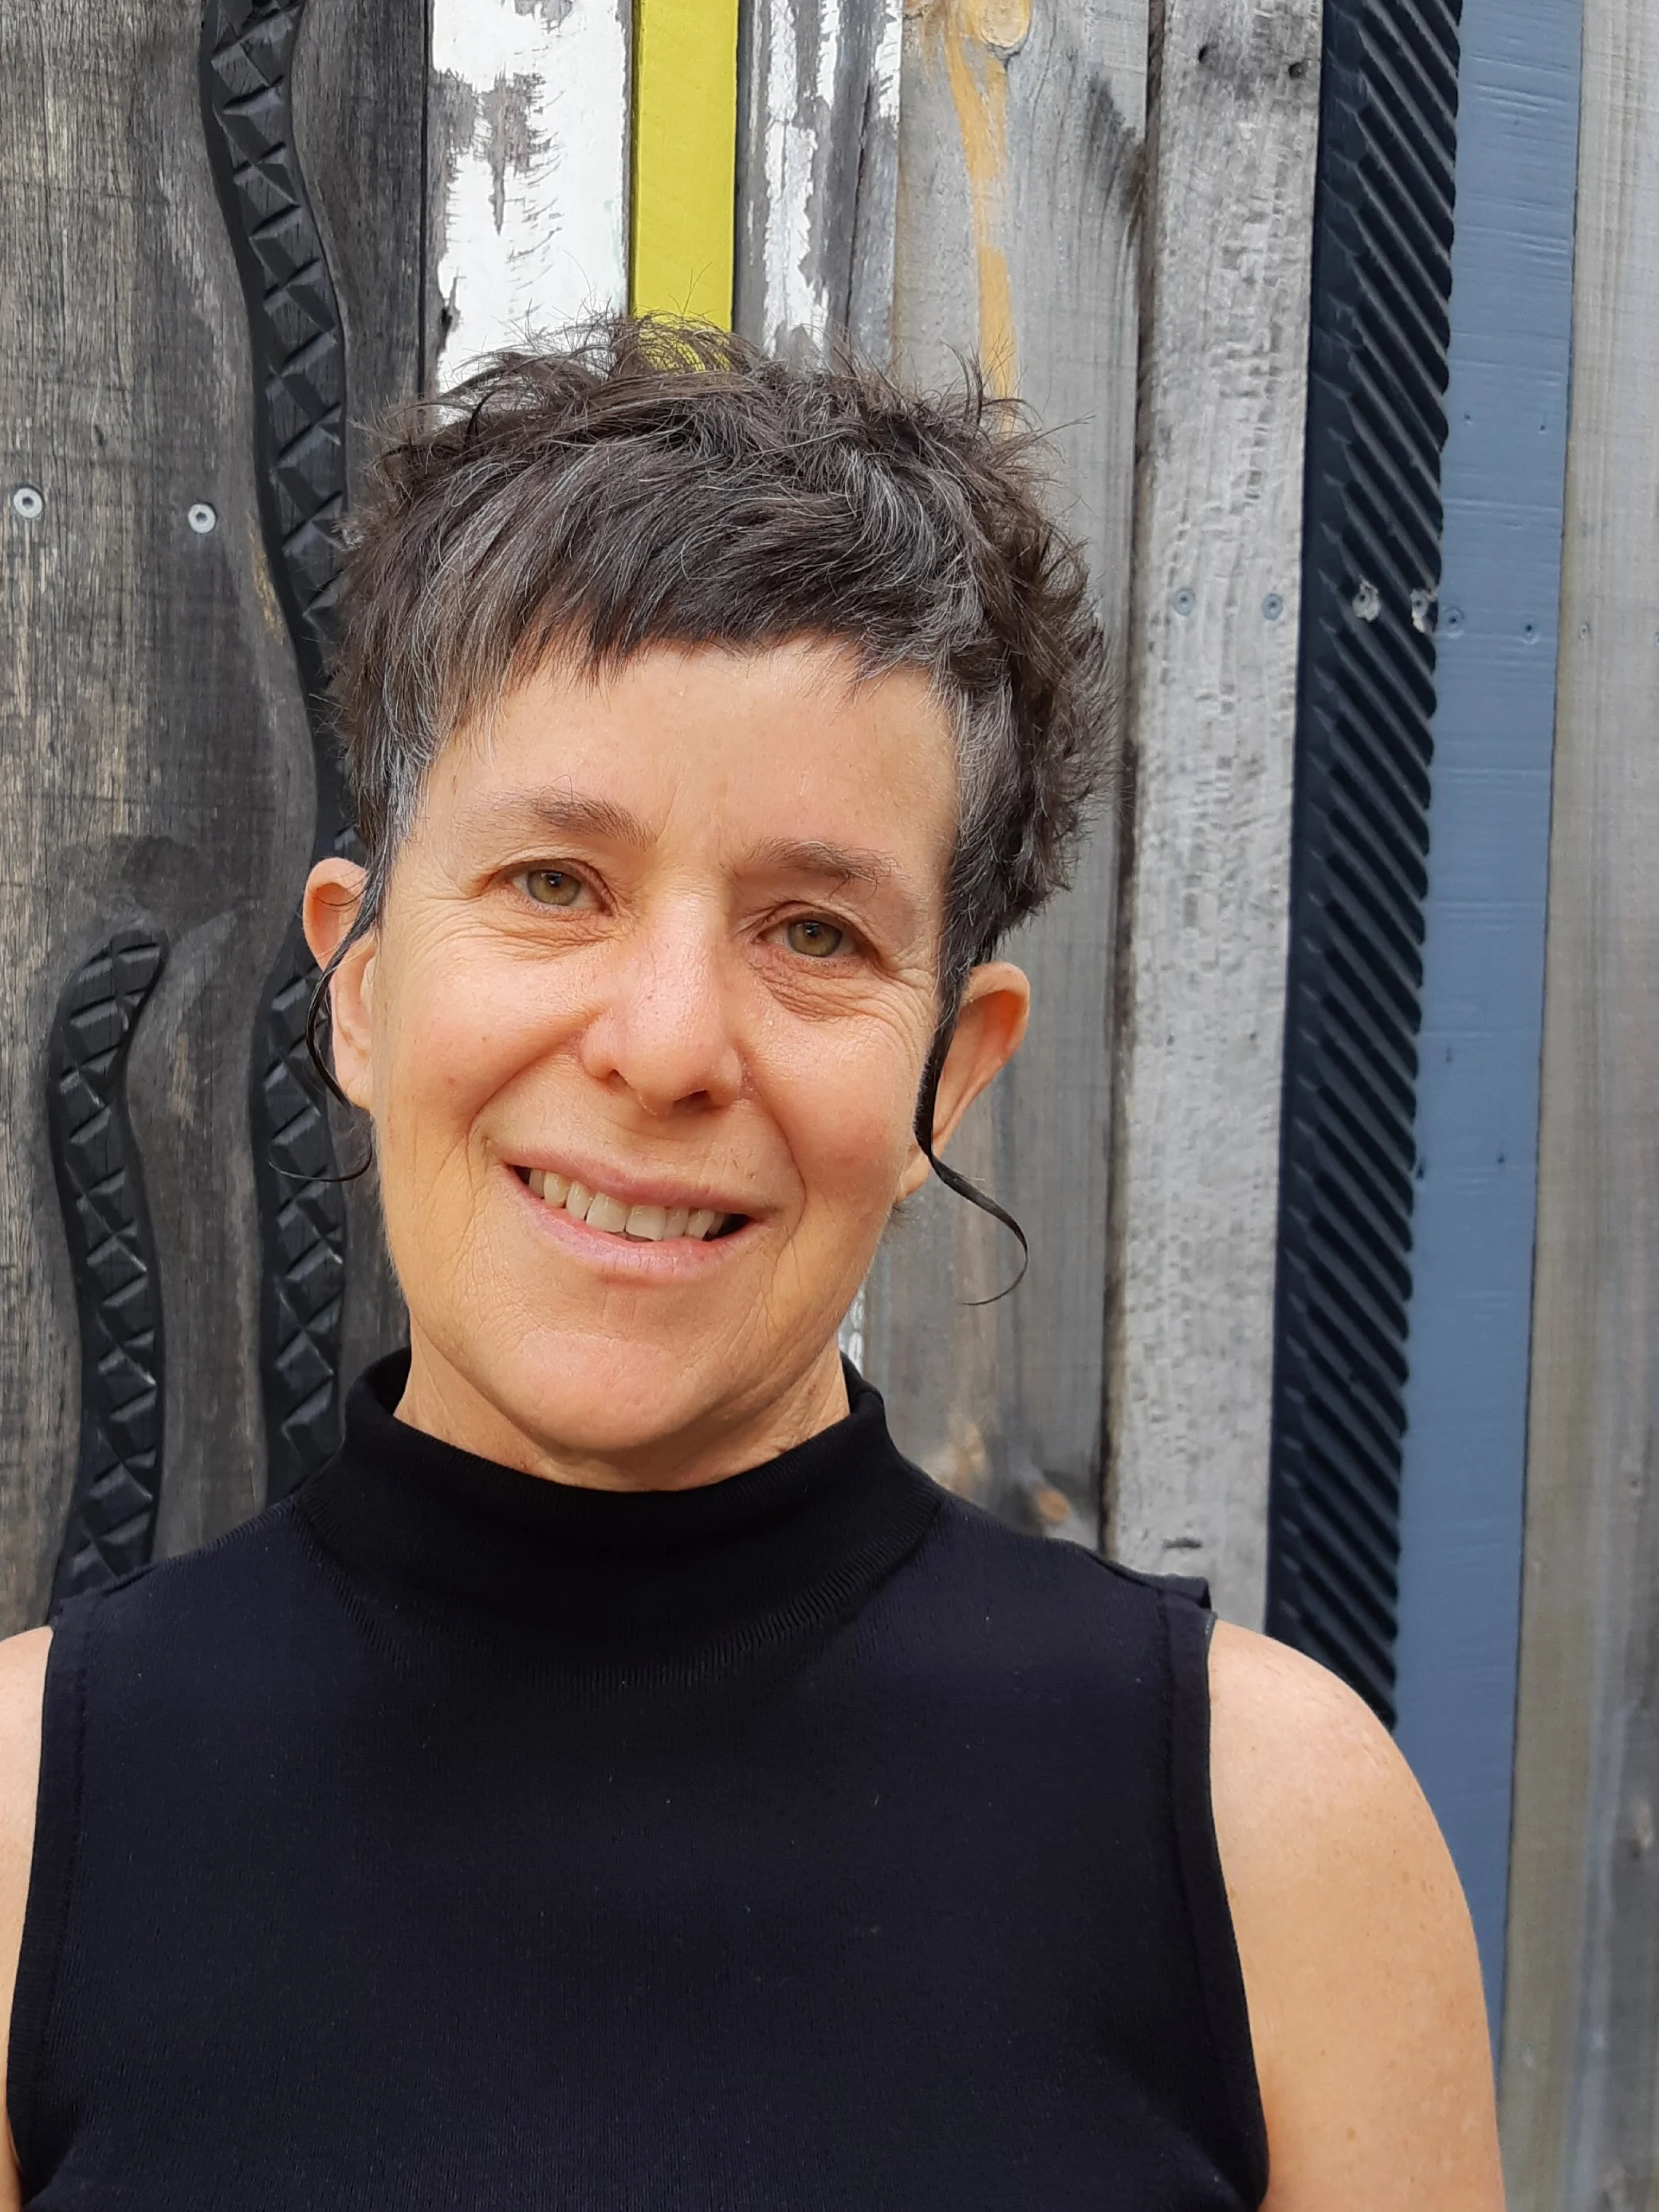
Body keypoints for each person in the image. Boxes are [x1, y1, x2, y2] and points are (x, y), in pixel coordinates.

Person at [0, 325, 1503, 2210]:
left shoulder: (1263, 1837)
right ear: (361, 987)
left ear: (948, 1069)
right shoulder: (27, 1821)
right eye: (555, 881)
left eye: (810, 928)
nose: (665, 1041)